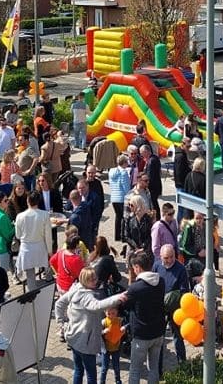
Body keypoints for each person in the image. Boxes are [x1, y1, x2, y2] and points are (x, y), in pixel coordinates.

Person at [56, 266, 127, 384]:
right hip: (86, 343)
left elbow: (59, 303)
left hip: (73, 339)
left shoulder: (75, 289)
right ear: (84, 280)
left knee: (78, 370)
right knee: (91, 376)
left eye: (96, 278)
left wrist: (62, 323)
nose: (96, 281)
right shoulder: (87, 296)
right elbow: (98, 305)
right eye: (92, 280)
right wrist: (118, 298)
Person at [123, 249, 166, 384]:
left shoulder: (135, 288)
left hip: (141, 335)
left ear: (138, 267)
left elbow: (125, 306)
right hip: (158, 332)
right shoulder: (161, 281)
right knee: (153, 368)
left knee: (135, 370)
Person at [15, 191, 53, 290]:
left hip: (26, 249)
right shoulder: (45, 215)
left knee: (30, 275)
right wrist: (50, 251)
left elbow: (18, 235)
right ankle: (48, 288)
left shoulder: (20, 216)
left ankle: (32, 294)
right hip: (40, 247)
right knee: (46, 268)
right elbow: (48, 235)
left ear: (28, 201)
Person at [107, 156, 132, 243]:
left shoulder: (111, 171)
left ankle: (117, 235)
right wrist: (130, 195)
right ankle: (123, 236)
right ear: (124, 163)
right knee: (124, 218)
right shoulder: (124, 173)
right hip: (122, 198)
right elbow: (126, 187)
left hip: (114, 197)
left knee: (118, 217)